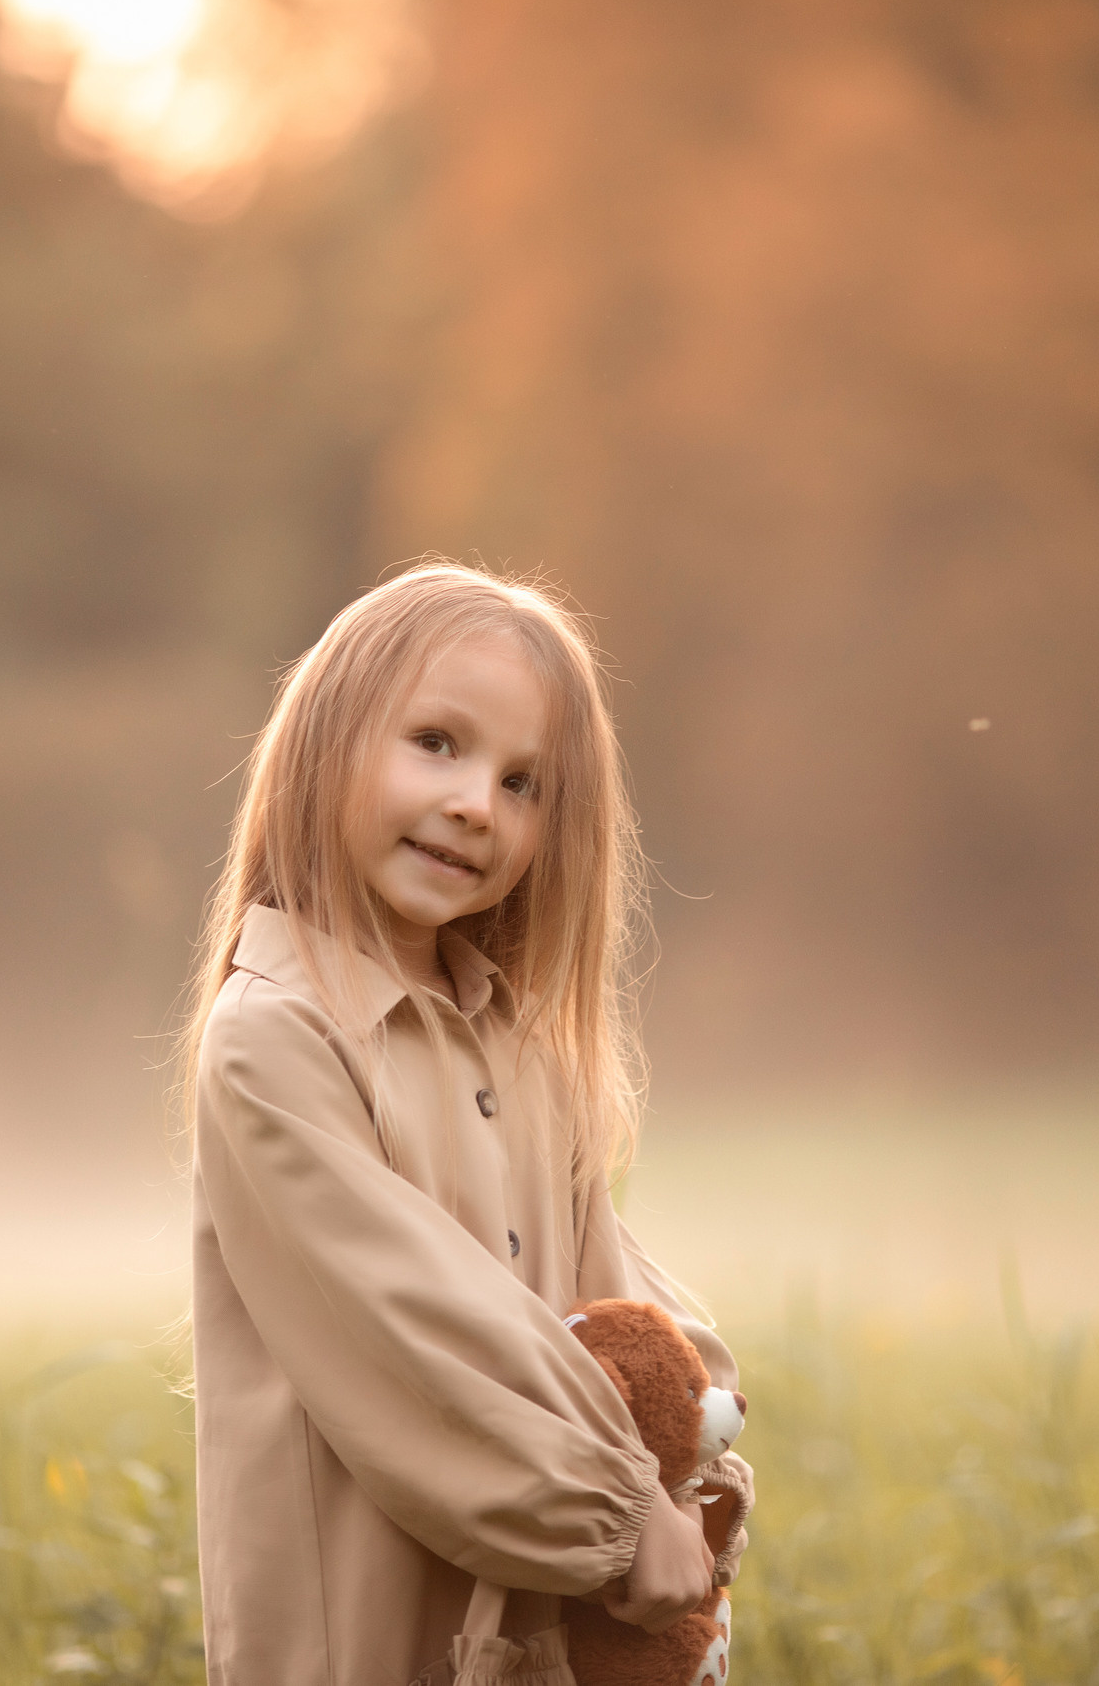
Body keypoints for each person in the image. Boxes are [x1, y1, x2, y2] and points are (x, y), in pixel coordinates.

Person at [180, 562, 753, 1684]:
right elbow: (416, 1332)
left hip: (539, 1633)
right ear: (324, 743)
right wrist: (619, 1510)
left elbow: (620, 1298)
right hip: (367, 1640)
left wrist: (696, 1456)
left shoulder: (516, 1049)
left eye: (523, 782)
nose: (477, 805)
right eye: (436, 744)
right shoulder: (273, 1041)